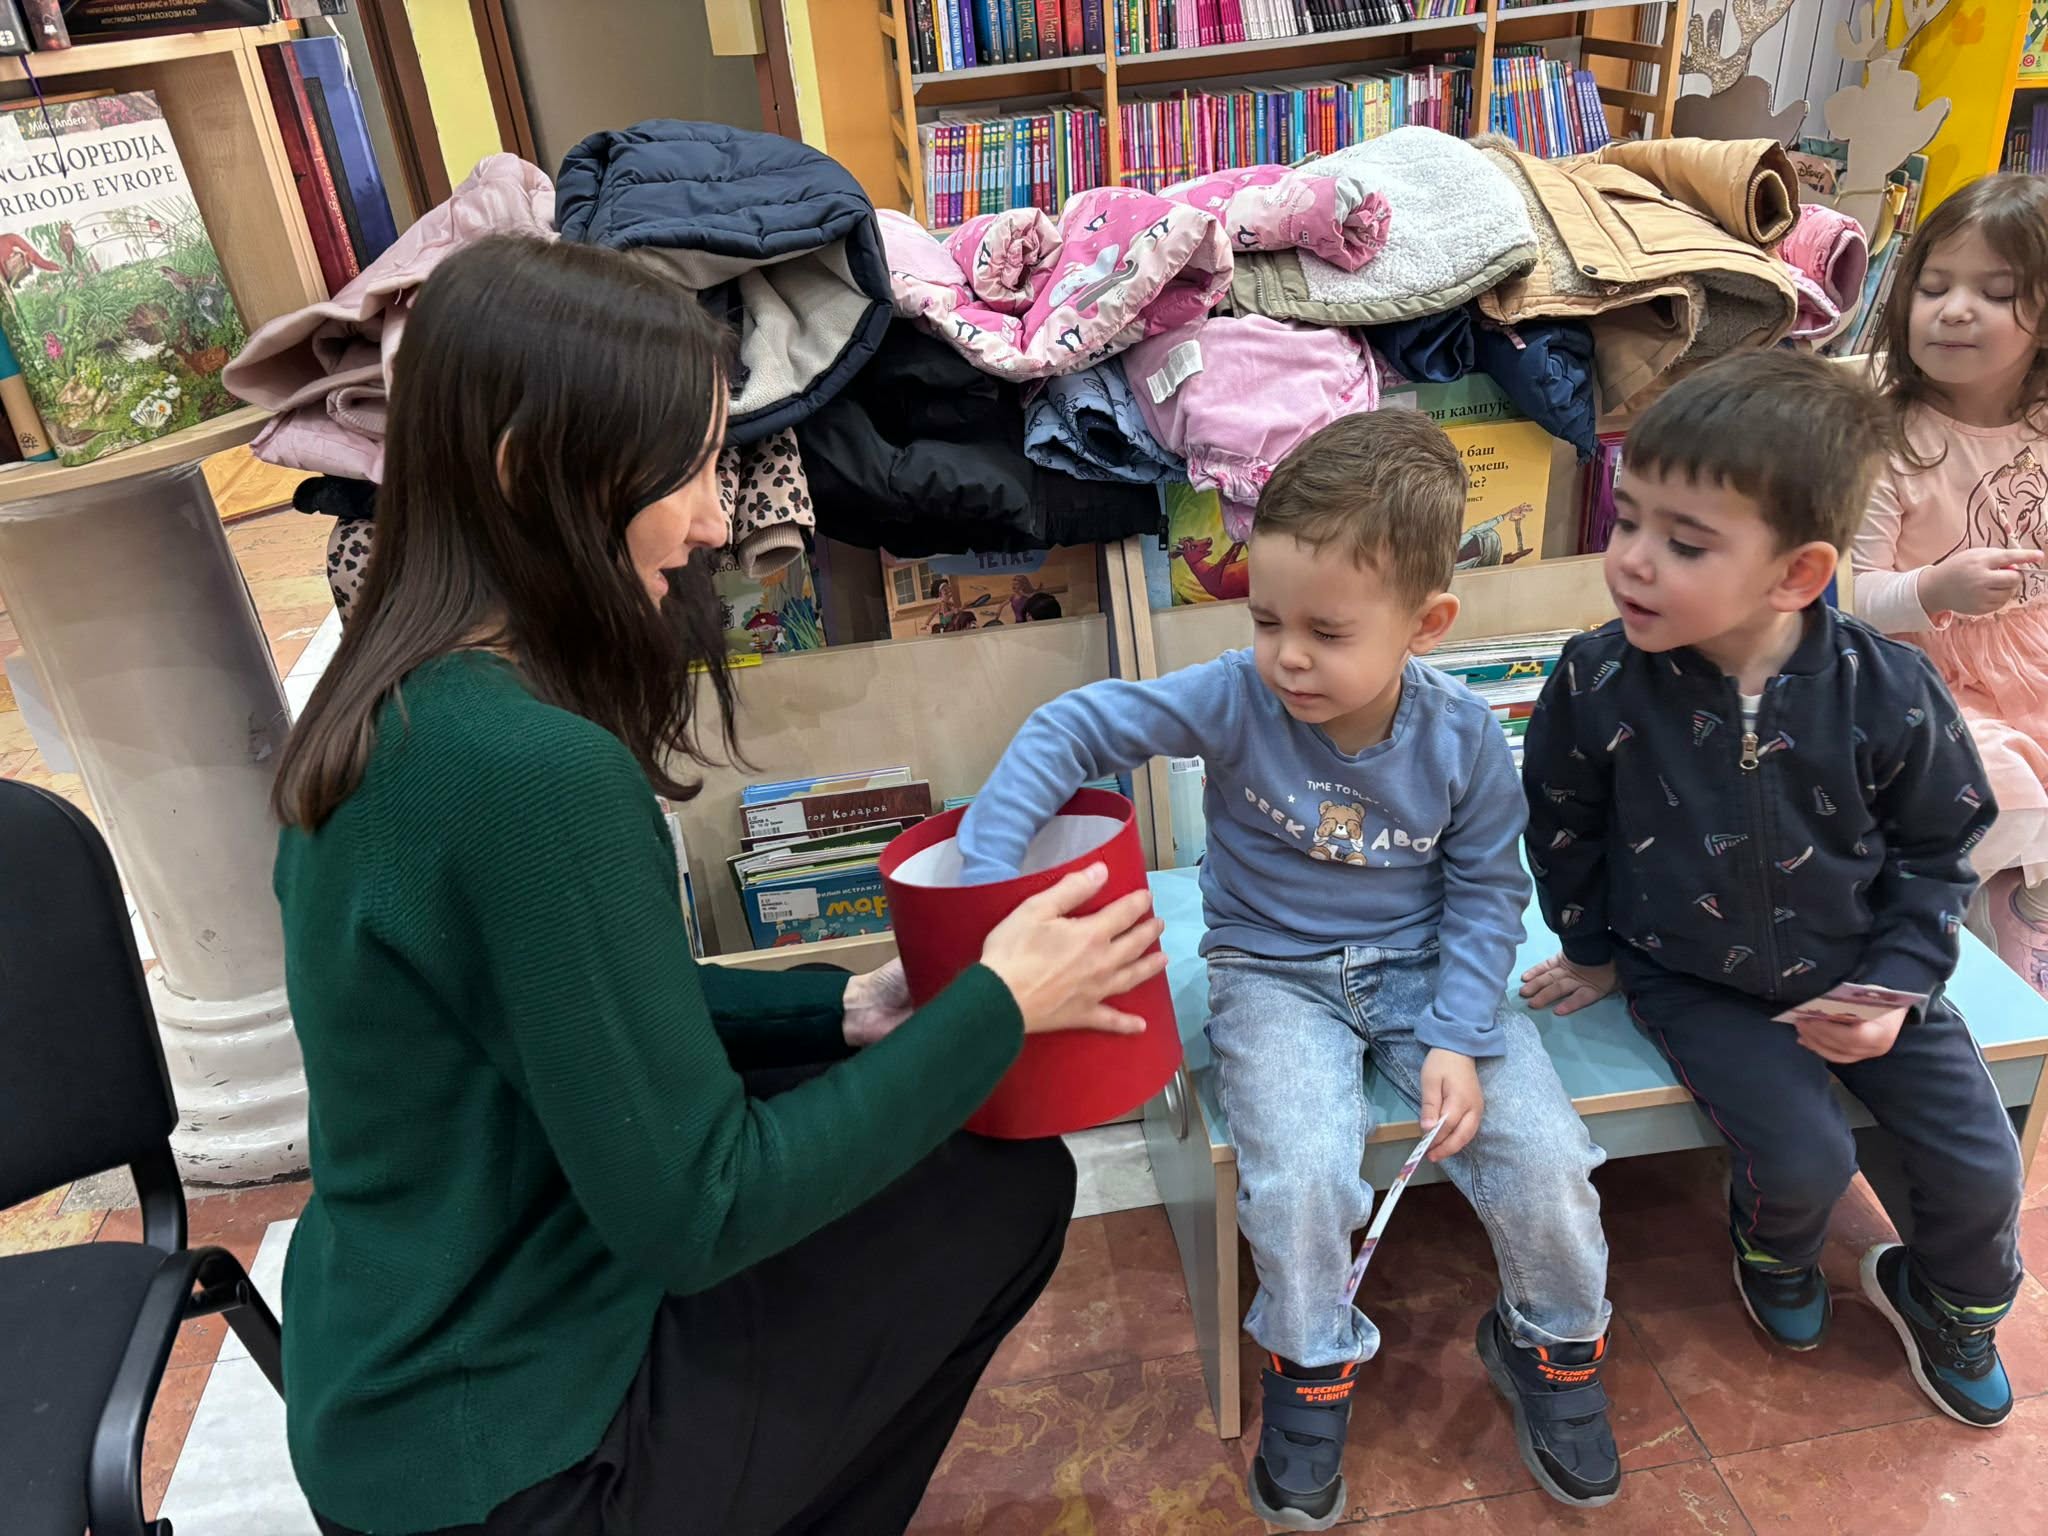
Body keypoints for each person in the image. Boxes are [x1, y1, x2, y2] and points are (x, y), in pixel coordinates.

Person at [268, 235, 1167, 1536]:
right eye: (684, 469)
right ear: (531, 471)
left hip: (389, 1374)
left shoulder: (383, 703)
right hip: (508, 1460)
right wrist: (998, 1008)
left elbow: (572, 1003)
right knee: (998, 1192)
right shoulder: (531, 774)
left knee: (926, 1147)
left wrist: (835, 1011)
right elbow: (705, 1209)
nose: (712, 520)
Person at [955, 410, 1619, 1528]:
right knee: (1301, 1177)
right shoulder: (1234, 694)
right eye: (1265, 620)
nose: (1288, 656)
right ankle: (1308, 1372)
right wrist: (985, 877)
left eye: (1326, 630)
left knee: (1547, 1157)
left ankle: (1551, 1346)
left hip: (1428, 973)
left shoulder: (1462, 737)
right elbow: (1071, 730)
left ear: (1426, 624)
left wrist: (1458, 1035)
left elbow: (1487, 894)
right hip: (1270, 974)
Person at [1521, 350, 2026, 1430]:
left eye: (1684, 542)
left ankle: (1946, 1304)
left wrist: (1893, 985)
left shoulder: (1887, 688)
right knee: (1801, 1161)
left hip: (1869, 964)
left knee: (1983, 1169)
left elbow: (1940, 847)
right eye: (1627, 521)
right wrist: (1592, 948)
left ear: (1797, 574)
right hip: (1693, 977)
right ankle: (1775, 1256)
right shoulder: (1597, 676)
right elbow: (1560, 822)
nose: (1631, 561)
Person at [1849, 174, 2048, 997]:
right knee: (1997, 785)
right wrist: (1935, 588)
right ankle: (1962, 916)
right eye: (1934, 287)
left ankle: (2023, 897)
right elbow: (1851, 598)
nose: (1954, 310)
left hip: (2032, 659)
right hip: (1921, 672)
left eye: (1994, 294)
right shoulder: (1888, 436)